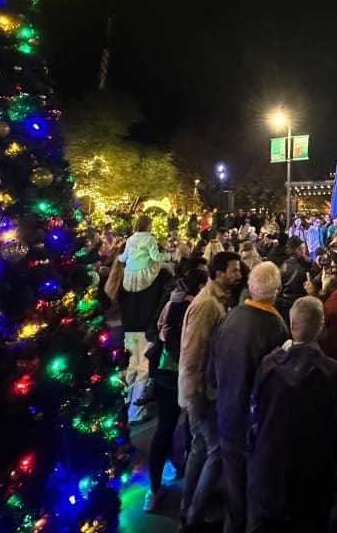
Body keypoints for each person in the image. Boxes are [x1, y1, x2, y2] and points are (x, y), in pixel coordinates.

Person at [248, 296, 337, 533]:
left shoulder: (268, 365)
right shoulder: (333, 372)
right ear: (321, 327)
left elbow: (254, 416)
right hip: (316, 472)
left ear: (291, 325)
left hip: (272, 465)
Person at [209, 262, 290, 533]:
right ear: (275, 291)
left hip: (227, 415)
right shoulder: (274, 326)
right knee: (257, 493)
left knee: (234, 491)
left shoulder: (230, 316)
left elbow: (213, 369)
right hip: (255, 426)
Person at [177, 251, 242, 531]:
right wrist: (194, 395)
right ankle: (194, 517)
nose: (238, 276)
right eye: (234, 271)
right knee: (216, 450)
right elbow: (193, 354)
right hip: (201, 392)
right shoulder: (207, 306)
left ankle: (187, 507)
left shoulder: (215, 301)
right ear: (218, 273)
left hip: (201, 390)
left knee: (200, 448)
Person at [143, 265, 206, 513]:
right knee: (192, 431)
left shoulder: (172, 304)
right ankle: (191, 493)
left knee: (164, 429)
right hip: (187, 372)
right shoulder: (199, 307)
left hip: (166, 373)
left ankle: (154, 488)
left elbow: (158, 332)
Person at [117, 214, 173, 423]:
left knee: (131, 365)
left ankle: (124, 406)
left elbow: (122, 258)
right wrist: (166, 257)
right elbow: (157, 257)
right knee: (143, 368)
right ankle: (135, 413)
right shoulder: (159, 276)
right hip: (147, 326)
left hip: (129, 325)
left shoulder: (127, 278)